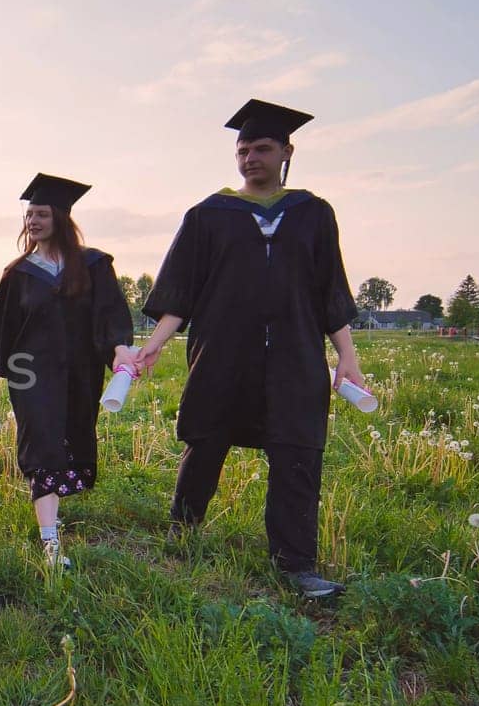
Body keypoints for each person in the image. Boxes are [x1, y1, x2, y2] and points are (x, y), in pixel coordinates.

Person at [135, 99, 361, 598]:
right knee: (206, 438)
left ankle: (297, 564)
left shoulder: (312, 214)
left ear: (286, 151)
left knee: (298, 449)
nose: (250, 158)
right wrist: (152, 346)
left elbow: (330, 290)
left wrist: (348, 355)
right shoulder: (208, 214)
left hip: (296, 354)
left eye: (261, 148)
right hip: (222, 350)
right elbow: (181, 292)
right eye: (243, 149)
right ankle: (184, 528)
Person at [0, 174, 136, 566]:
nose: (32, 221)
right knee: (43, 444)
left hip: (80, 373)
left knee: (72, 440)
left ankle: (53, 517)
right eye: (29, 214)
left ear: (61, 217)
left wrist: (120, 348)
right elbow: (1, 330)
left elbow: (110, 313)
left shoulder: (93, 264)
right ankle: (50, 542)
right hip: (31, 375)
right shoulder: (18, 273)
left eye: (41, 214)